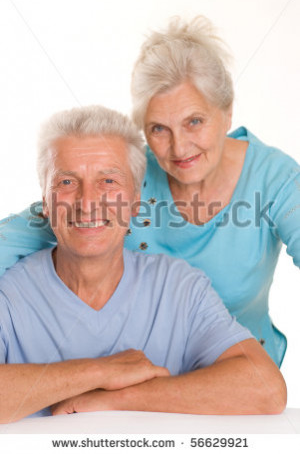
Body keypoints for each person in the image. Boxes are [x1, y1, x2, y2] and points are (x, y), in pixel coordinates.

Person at [0, 17, 299, 367]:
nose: (179, 147)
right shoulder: (124, 174)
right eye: (159, 128)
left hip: (232, 379)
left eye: (194, 121)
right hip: (139, 372)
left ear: (227, 112)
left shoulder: (275, 180)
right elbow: (51, 217)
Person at [0, 106, 286, 423]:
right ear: (45, 200)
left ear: (135, 201)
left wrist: (120, 399)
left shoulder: (179, 288)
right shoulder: (9, 295)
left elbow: (266, 388)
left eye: (108, 180)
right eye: (67, 182)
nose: (87, 202)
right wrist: (100, 371)